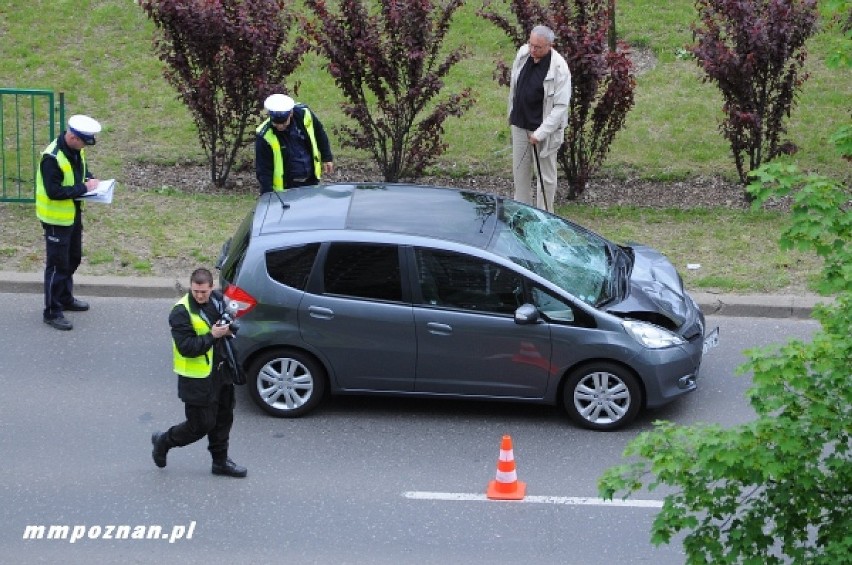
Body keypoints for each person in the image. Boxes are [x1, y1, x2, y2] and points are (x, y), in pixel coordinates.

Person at [151, 268, 247, 478]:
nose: (200, 295)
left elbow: (229, 323)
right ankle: (164, 441)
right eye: (196, 291)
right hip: (197, 380)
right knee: (199, 426)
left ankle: (220, 462)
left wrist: (231, 329)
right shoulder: (181, 312)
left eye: (204, 291)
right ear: (191, 288)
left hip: (221, 373)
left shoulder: (218, 300)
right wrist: (213, 336)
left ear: (211, 288)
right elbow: (186, 347)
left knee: (223, 419)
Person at [35, 114, 103, 331]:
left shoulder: (75, 149)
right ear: (73, 137)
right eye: (83, 141)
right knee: (57, 266)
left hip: (72, 215)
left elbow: (79, 171)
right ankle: (52, 311)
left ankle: (64, 298)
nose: (85, 146)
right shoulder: (51, 158)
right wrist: (84, 188)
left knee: (73, 258)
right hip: (56, 219)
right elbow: (54, 191)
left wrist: (90, 179)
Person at [508, 25, 571, 213]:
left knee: (546, 178)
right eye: (531, 44)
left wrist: (540, 133)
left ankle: (544, 217)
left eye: (538, 47)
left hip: (543, 132)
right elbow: (515, 86)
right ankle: (522, 214)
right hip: (520, 125)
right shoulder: (523, 54)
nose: (532, 50)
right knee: (520, 175)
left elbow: (560, 107)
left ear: (550, 46)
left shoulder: (559, 68)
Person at [255, 93, 334, 194]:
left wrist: (327, 157)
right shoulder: (264, 135)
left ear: (291, 113)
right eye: (276, 123)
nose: (279, 127)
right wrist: (268, 195)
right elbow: (263, 170)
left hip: (311, 180)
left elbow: (319, 132)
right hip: (286, 189)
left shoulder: (305, 114)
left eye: (283, 123)